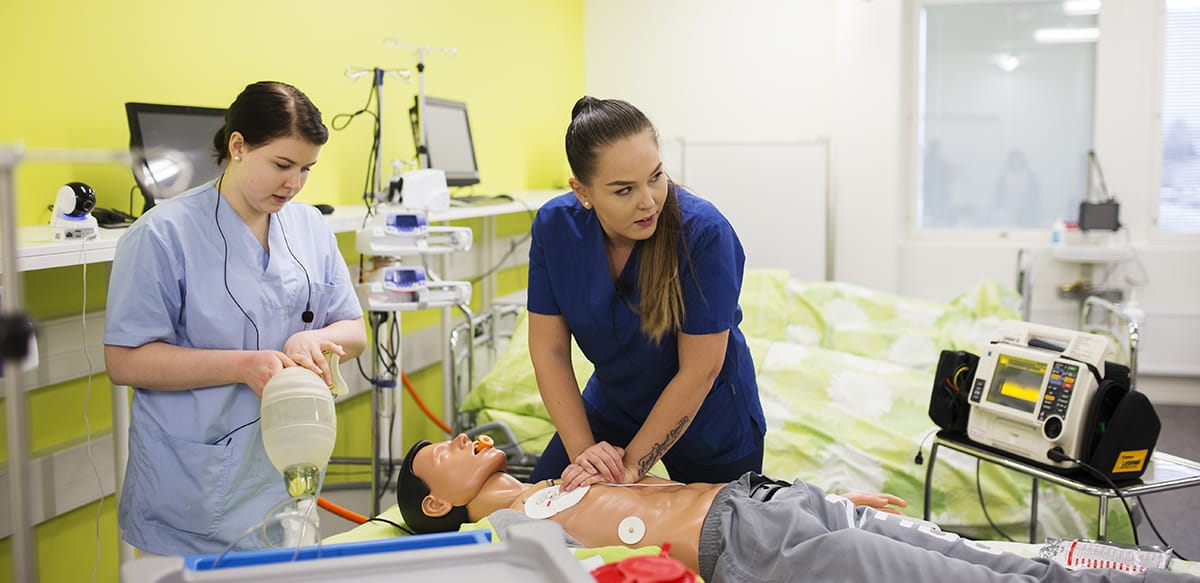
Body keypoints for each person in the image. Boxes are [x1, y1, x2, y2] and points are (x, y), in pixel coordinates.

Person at [104, 81, 367, 556]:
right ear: (238, 146)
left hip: (292, 480)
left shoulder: (309, 227)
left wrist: (318, 340)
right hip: (194, 491)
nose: (294, 183)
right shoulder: (162, 236)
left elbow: (354, 329)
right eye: (282, 165)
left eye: (307, 169)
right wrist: (243, 366)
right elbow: (126, 361)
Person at [398, 436, 1198, 583]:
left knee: (994, 557)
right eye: (440, 451)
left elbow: (668, 491)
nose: (462, 435)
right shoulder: (493, 535)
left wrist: (830, 497)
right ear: (436, 499)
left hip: (768, 502)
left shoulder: (560, 480)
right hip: (754, 552)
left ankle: (1167, 569)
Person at [527, 96, 765, 491]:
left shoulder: (703, 232)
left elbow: (700, 370)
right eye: (624, 190)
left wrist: (630, 470)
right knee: (541, 511)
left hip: (710, 418)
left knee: (725, 543)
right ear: (582, 191)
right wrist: (585, 454)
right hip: (615, 406)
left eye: (656, 177)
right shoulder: (555, 228)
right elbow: (549, 350)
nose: (649, 201)